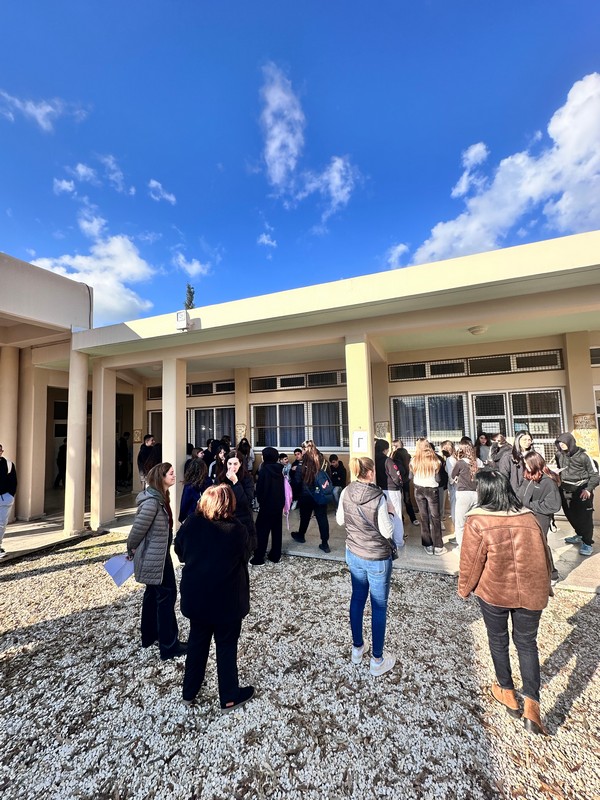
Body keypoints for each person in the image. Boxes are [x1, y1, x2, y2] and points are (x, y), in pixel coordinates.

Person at [458, 470, 552, 735]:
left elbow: (471, 561)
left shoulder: (478, 520)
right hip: (531, 591)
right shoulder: (529, 518)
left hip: (495, 591)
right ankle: (532, 706)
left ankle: (507, 691)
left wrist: (464, 589)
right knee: (527, 643)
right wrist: (545, 584)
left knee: (498, 640)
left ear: (485, 492)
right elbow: (544, 553)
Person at [174, 485, 254, 712]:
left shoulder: (191, 524)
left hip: (198, 599)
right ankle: (229, 696)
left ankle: (189, 691)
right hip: (227, 601)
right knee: (226, 646)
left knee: (197, 643)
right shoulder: (236, 530)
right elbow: (246, 554)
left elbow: (179, 550)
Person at [336, 456, 395, 677]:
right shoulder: (379, 497)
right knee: (378, 606)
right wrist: (391, 513)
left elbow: (340, 520)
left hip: (354, 553)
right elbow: (387, 531)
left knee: (357, 598)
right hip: (377, 557)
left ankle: (357, 648)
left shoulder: (346, 491)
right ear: (370, 473)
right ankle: (377, 659)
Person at [126, 462, 187, 660]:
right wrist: (130, 548)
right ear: (161, 477)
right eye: (170, 473)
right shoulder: (152, 502)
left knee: (153, 594)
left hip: (159, 554)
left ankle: (150, 635)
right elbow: (138, 529)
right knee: (166, 596)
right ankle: (169, 645)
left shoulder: (161, 497)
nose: (174, 476)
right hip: (156, 557)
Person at [517, 451, 562, 584]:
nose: (526, 466)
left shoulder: (548, 481)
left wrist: (532, 505)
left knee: (541, 545)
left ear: (535, 464)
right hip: (526, 515)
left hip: (540, 517)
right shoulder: (529, 477)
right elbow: (521, 494)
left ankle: (552, 574)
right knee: (528, 545)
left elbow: (553, 505)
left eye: (527, 464)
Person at [555, 432, 599, 557]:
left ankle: (587, 543)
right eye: (559, 443)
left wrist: (588, 489)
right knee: (570, 515)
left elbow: (595, 475)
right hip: (565, 490)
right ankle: (579, 535)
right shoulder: (559, 455)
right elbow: (560, 470)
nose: (561, 445)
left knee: (584, 518)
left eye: (564, 442)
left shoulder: (583, 456)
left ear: (571, 442)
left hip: (582, 490)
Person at [291, 440, 332, 553]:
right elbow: (328, 477)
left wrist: (295, 495)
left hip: (306, 495)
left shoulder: (302, 464)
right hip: (320, 495)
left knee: (305, 517)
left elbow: (297, 482)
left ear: (305, 449)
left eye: (302, 449)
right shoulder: (323, 462)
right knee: (322, 518)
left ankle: (301, 535)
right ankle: (325, 544)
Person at [251, 447, 285, 565]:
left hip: (266, 505)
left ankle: (259, 557)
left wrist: (260, 500)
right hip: (278, 504)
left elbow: (260, 489)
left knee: (261, 531)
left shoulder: (264, 470)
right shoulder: (279, 469)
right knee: (277, 531)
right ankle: (275, 555)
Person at [216, 451, 257, 549]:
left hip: (242, 518)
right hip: (225, 519)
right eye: (230, 464)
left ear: (240, 464)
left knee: (242, 547)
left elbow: (246, 501)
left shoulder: (247, 478)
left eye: (235, 464)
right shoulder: (220, 478)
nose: (232, 467)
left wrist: (236, 482)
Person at [410, 438, 445, 555]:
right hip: (432, 490)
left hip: (418, 489)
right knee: (435, 517)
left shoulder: (413, 460)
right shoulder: (435, 460)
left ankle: (428, 545)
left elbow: (410, 476)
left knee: (423, 517)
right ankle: (438, 546)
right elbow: (438, 479)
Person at [374, 439, 404, 548]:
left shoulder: (373, 459)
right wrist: (400, 484)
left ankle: (387, 540)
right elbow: (396, 477)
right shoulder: (388, 461)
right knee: (396, 515)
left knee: (383, 516)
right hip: (391, 490)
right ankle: (398, 542)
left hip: (378, 490)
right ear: (385, 449)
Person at [451, 443, 479, 549]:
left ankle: (462, 547)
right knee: (472, 522)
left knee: (460, 523)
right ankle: (473, 544)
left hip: (463, 494)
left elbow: (453, 475)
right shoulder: (476, 462)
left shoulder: (460, 463)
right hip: (476, 494)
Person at [392, 439, 418, 526]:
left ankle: (401, 519)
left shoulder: (395, 455)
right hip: (406, 480)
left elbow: (397, 469)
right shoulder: (407, 454)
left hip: (397, 480)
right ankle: (413, 518)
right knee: (407, 499)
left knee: (398, 500)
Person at [178, 458, 212, 523]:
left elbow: (185, 502)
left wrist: (181, 518)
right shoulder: (209, 481)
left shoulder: (189, 485)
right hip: (207, 515)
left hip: (192, 516)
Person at [0, 444, 17, 558]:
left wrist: (10, 495)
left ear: (2, 451)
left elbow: (13, 482)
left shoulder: (9, 464)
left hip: (4, 499)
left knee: (1, 524)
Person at [441, 441, 457, 524]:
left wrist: (451, 483)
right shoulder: (455, 457)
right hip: (458, 484)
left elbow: (451, 474)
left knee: (454, 506)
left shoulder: (449, 459)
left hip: (454, 485)